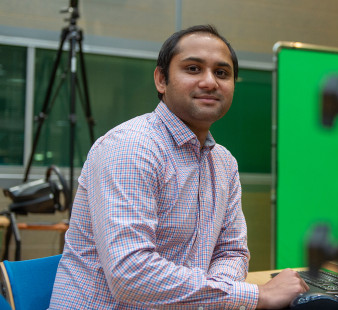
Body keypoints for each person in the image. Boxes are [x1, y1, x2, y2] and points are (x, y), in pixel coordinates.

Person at [49, 24, 308, 309]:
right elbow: (130, 274)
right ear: (161, 80)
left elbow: (231, 252)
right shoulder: (130, 148)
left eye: (222, 73)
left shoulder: (224, 163)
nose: (210, 82)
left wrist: (214, 297)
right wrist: (257, 295)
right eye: (193, 69)